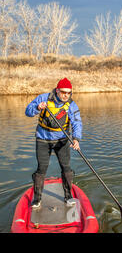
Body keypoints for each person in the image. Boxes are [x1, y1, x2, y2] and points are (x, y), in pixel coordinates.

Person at [25, 78, 83, 210]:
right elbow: (28, 111)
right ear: (57, 90)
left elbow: (77, 123)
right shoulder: (43, 98)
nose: (66, 95)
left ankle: (68, 197)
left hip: (62, 140)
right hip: (43, 139)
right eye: (63, 92)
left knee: (66, 167)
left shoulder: (72, 105)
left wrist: (76, 139)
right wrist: (36, 107)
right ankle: (37, 199)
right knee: (42, 168)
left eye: (69, 93)